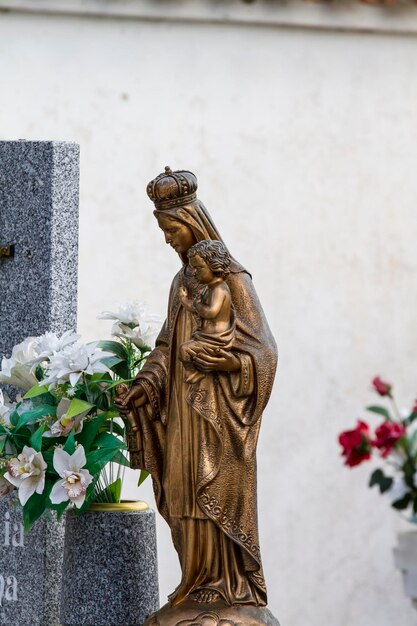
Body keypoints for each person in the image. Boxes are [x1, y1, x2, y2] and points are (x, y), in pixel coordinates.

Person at [115, 167, 277, 608]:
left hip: (219, 413)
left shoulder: (234, 283)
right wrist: (143, 387)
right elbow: (166, 347)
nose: (168, 240)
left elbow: (265, 351)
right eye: (163, 232)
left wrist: (228, 361)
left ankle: (227, 586)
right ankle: (194, 580)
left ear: (190, 223)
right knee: (183, 488)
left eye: (171, 230)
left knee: (213, 489)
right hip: (183, 412)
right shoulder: (180, 284)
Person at [179, 240, 235, 384]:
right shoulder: (208, 288)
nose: (195, 273)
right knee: (185, 351)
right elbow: (195, 308)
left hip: (217, 339)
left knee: (184, 350)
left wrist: (197, 305)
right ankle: (194, 371)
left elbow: (211, 312)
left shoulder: (219, 289)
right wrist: (185, 300)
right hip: (206, 336)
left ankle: (194, 373)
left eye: (198, 268)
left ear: (214, 265)